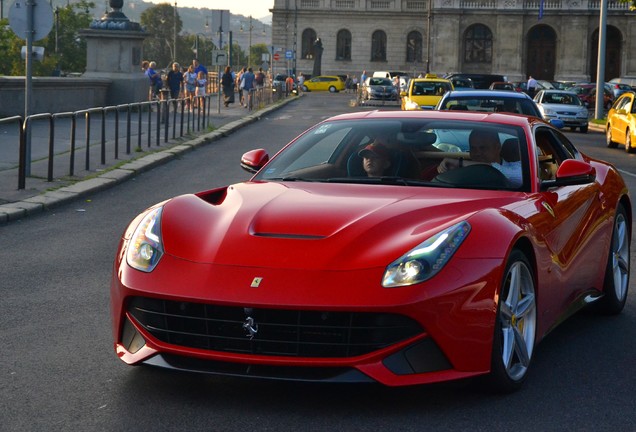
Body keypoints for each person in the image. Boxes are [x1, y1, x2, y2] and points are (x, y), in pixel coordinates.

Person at [437, 128, 522, 187]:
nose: (477, 153)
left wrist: (459, 163)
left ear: (498, 147)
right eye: (473, 148)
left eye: (483, 148)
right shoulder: (460, 171)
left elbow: (514, 176)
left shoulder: (517, 167)